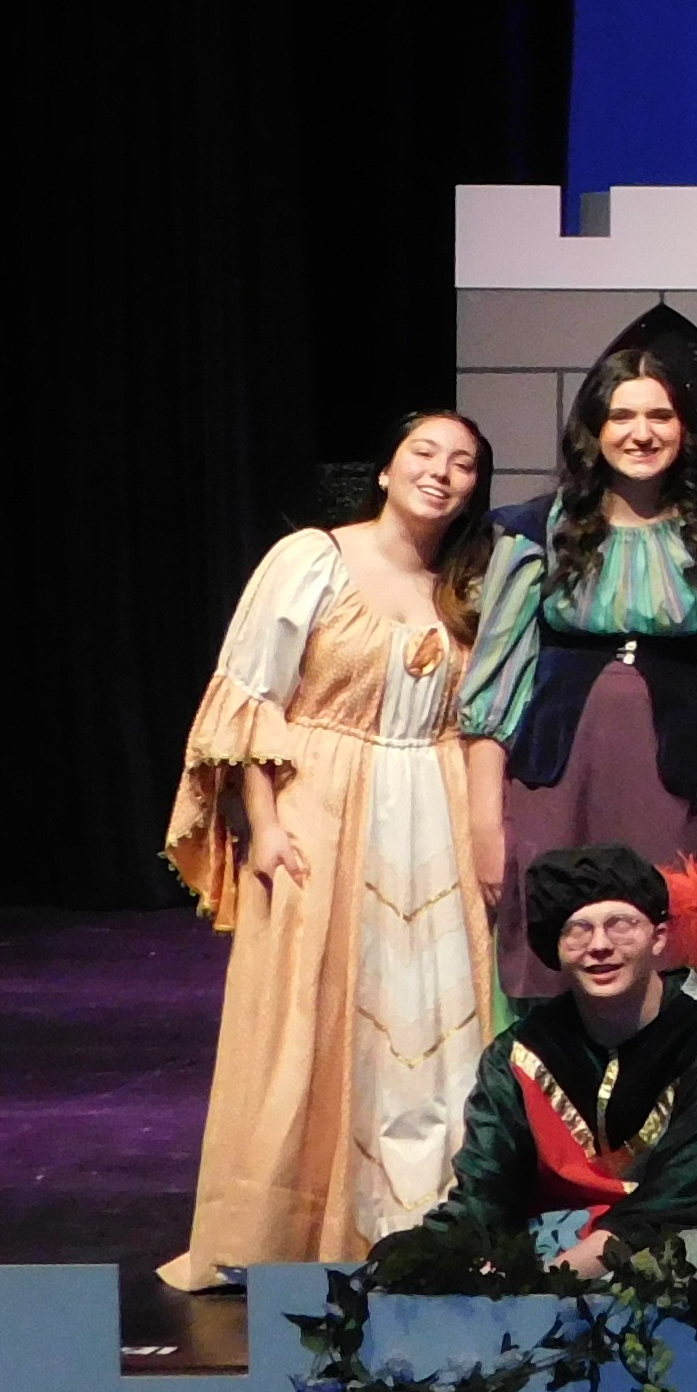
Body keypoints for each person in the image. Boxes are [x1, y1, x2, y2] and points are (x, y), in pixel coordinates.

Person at [161, 412, 509, 1290]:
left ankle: (423, 1219)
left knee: (433, 1010)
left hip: (432, 807)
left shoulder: (469, 583)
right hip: (324, 801)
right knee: (310, 1004)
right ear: (386, 470)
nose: (442, 473)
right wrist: (267, 825)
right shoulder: (313, 556)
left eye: (463, 463)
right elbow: (252, 696)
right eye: (424, 454)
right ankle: (287, 1224)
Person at [386, 844, 697, 1273]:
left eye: (621, 925)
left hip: (685, 1263)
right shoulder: (518, 1054)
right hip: (547, 1257)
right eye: (577, 930)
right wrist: (424, 1258)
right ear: (555, 948)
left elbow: (693, 1197)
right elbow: (486, 1193)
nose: (600, 946)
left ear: (659, 937)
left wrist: (551, 1281)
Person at [468, 347, 697, 997]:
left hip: (669, 776)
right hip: (559, 777)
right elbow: (493, 686)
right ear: (594, 428)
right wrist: (482, 823)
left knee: (659, 948)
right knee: (561, 949)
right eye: (622, 415)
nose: (642, 432)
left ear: (684, 428)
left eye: (660, 415)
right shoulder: (537, 531)